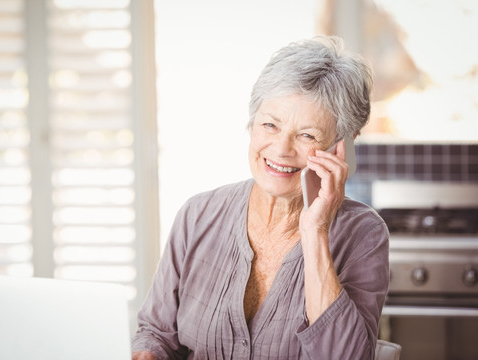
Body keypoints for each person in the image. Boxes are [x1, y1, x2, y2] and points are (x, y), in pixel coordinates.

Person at [131, 36, 389, 359]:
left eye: (307, 135)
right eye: (270, 125)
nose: (281, 149)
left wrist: (315, 232)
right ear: (252, 123)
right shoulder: (196, 216)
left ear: (339, 149)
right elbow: (155, 334)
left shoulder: (364, 235)